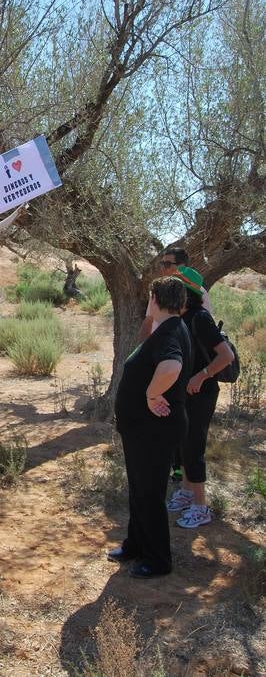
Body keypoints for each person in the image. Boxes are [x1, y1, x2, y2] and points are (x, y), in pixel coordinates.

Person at [110, 276, 191, 578]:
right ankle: (135, 545)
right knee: (140, 489)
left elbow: (171, 367)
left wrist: (151, 394)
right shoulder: (169, 327)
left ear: (154, 300)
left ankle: (158, 560)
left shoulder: (170, 332)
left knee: (150, 493)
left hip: (155, 430)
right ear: (181, 303)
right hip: (143, 430)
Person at [167, 266, 234, 529]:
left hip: (201, 393)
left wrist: (201, 376)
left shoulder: (199, 318)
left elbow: (225, 356)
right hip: (185, 393)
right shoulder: (180, 317)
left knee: (194, 446)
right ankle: (186, 492)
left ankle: (201, 506)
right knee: (182, 443)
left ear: (185, 292)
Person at [139, 247, 212, 342]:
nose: (162, 268)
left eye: (167, 264)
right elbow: (148, 322)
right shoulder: (158, 291)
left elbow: (205, 327)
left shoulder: (200, 293)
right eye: (162, 264)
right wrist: (142, 350)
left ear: (182, 266)